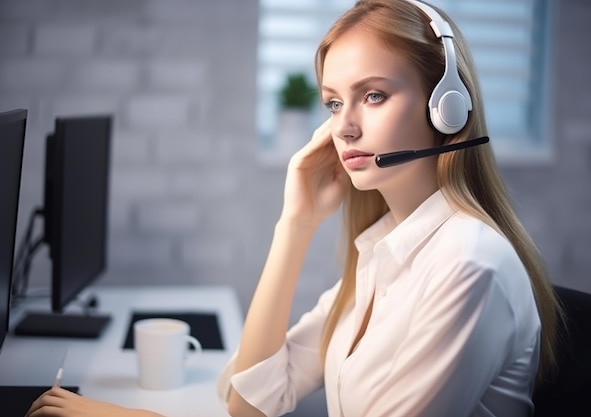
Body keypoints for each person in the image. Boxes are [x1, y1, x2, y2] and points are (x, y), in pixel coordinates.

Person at [26, 1, 562, 416]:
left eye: (373, 95)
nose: (344, 125)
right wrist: (296, 223)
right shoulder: (386, 248)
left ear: (447, 109)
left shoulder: (467, 265)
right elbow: (251, 401)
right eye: (333, 102)